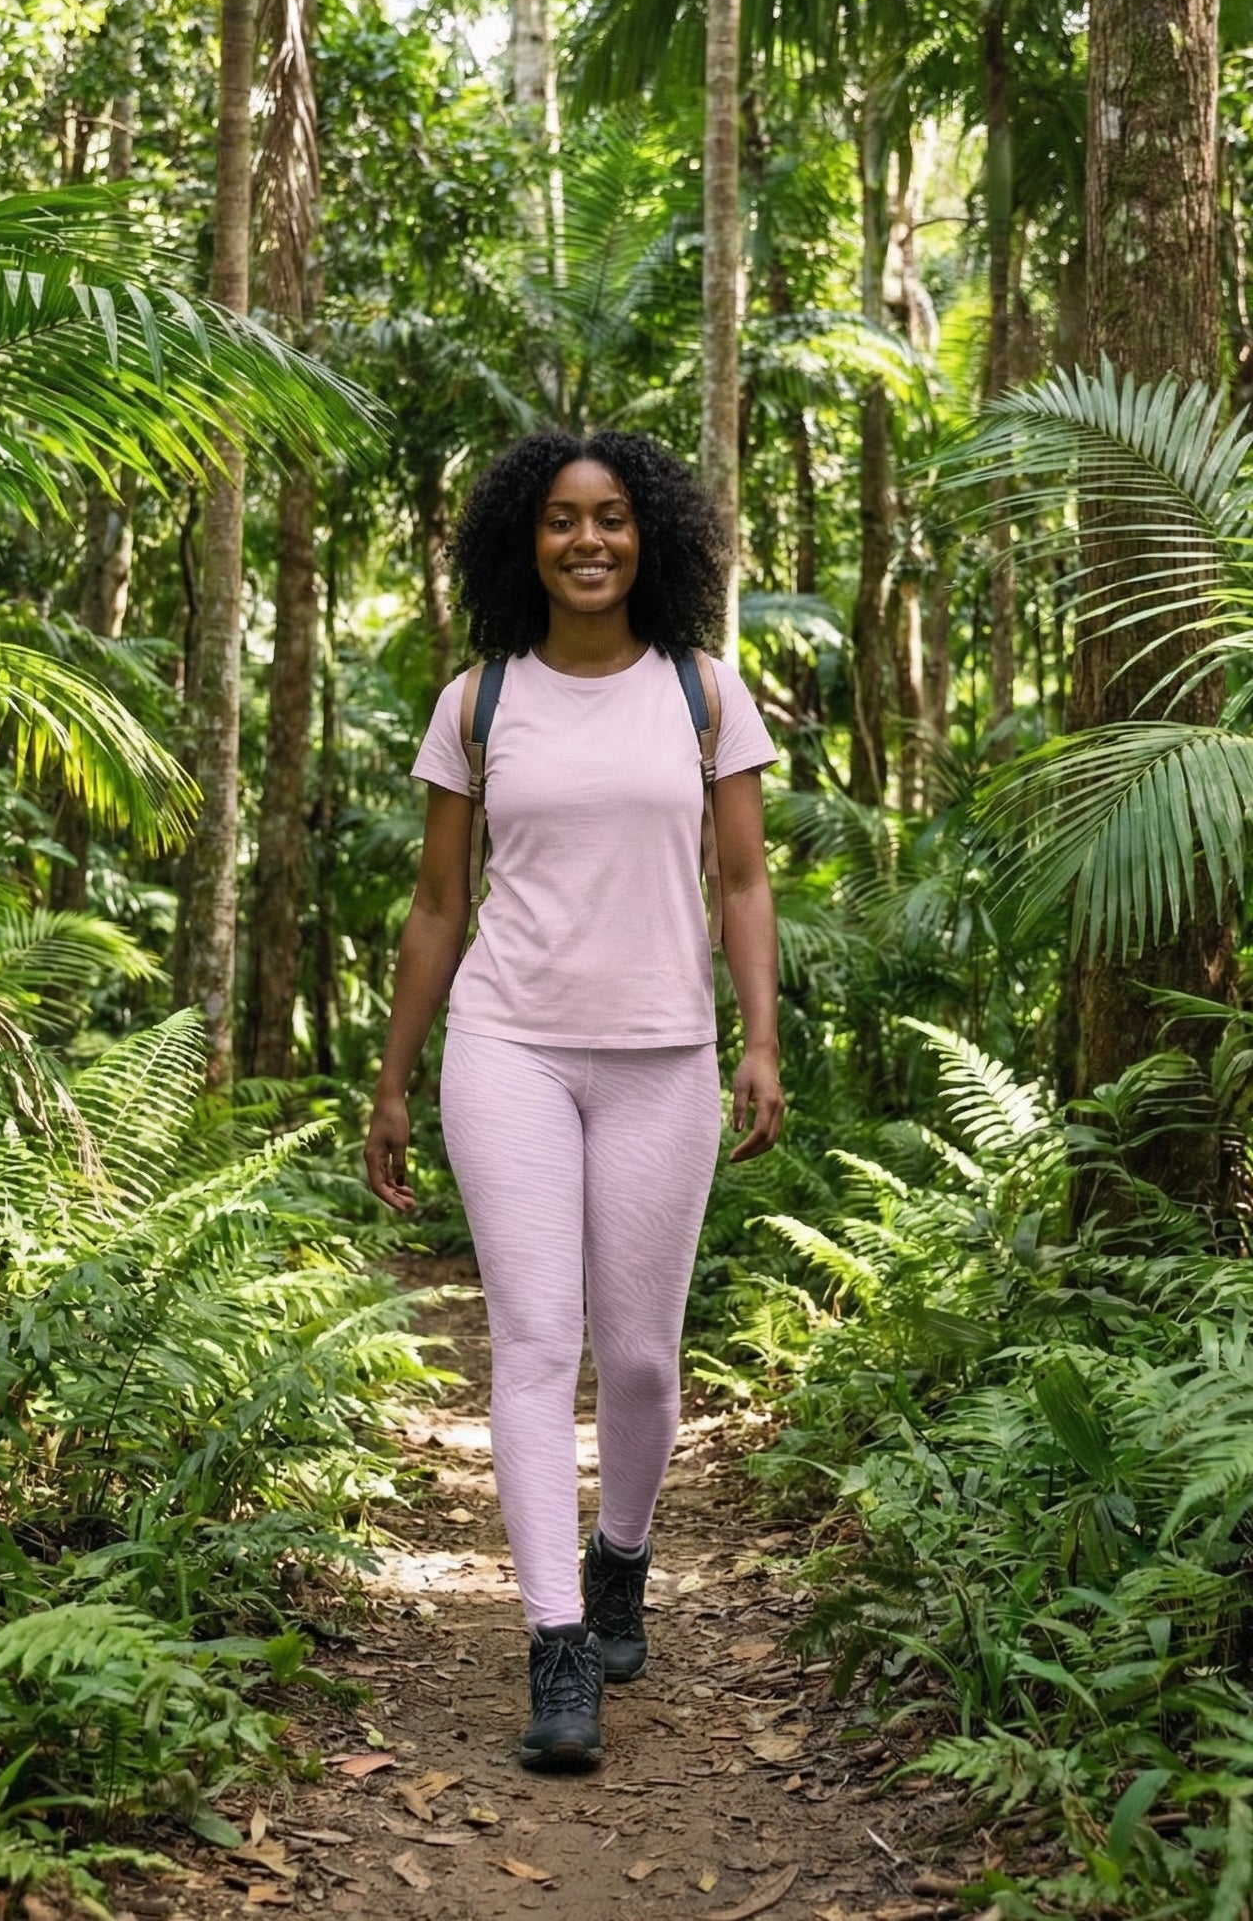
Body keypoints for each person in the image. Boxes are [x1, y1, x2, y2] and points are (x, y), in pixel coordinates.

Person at [362, 429, 784, 1773]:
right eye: (559, 520)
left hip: (664, 1052)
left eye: (610, 519)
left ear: (650, 535)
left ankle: (620, 1560)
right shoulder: (477, 702)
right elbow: (438, 906)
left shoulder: (705, 695)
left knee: (645, 1357)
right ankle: (555, 1648)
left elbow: (743, 885)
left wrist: (760, 1042)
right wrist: (393, 1076)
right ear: (521, 541)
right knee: (537, 1342)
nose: (586, 542)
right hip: (508, 1046)